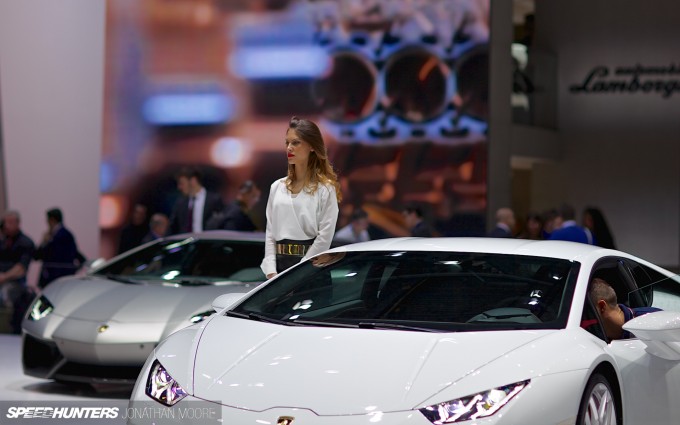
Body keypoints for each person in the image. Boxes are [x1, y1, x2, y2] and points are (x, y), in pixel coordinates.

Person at [260, 116, 342, 279]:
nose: (289, 148)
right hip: (278, 270)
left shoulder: (325, 189)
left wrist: (300, 271)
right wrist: (270, 270)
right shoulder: (277, 187)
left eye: (295, 143)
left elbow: (325, 236)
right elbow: (270, 232)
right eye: (287, 143)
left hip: (311, 269)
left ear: (312, 146)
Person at [589, 277, 661, 340]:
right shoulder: (594, 337)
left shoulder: (653, 320)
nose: (584, 319)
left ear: (602, 307)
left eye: (588, 311)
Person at [0, 210, 36, 334]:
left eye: (10, 222)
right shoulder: (3, 241)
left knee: (5, 294)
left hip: (16, 285)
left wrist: (4, 277)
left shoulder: (25, 243)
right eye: (6, 223)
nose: (7, 226)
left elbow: (21, 269)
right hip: (3, 281)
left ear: (18, 223)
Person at [34, 208, 84, 289]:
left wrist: (44, 243)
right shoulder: (65, 234)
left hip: (55, 277)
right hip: (58, 277)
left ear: (52, 220)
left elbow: (41, 255)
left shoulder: (60, 235)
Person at [168, 166, 224, 235]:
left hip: (207, 240)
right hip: (187, 241)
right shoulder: (180, 203)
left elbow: (221, 225)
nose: (179, 187)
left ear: (193, 181)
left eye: (181, 183)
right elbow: (172, 228)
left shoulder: (214, 200)